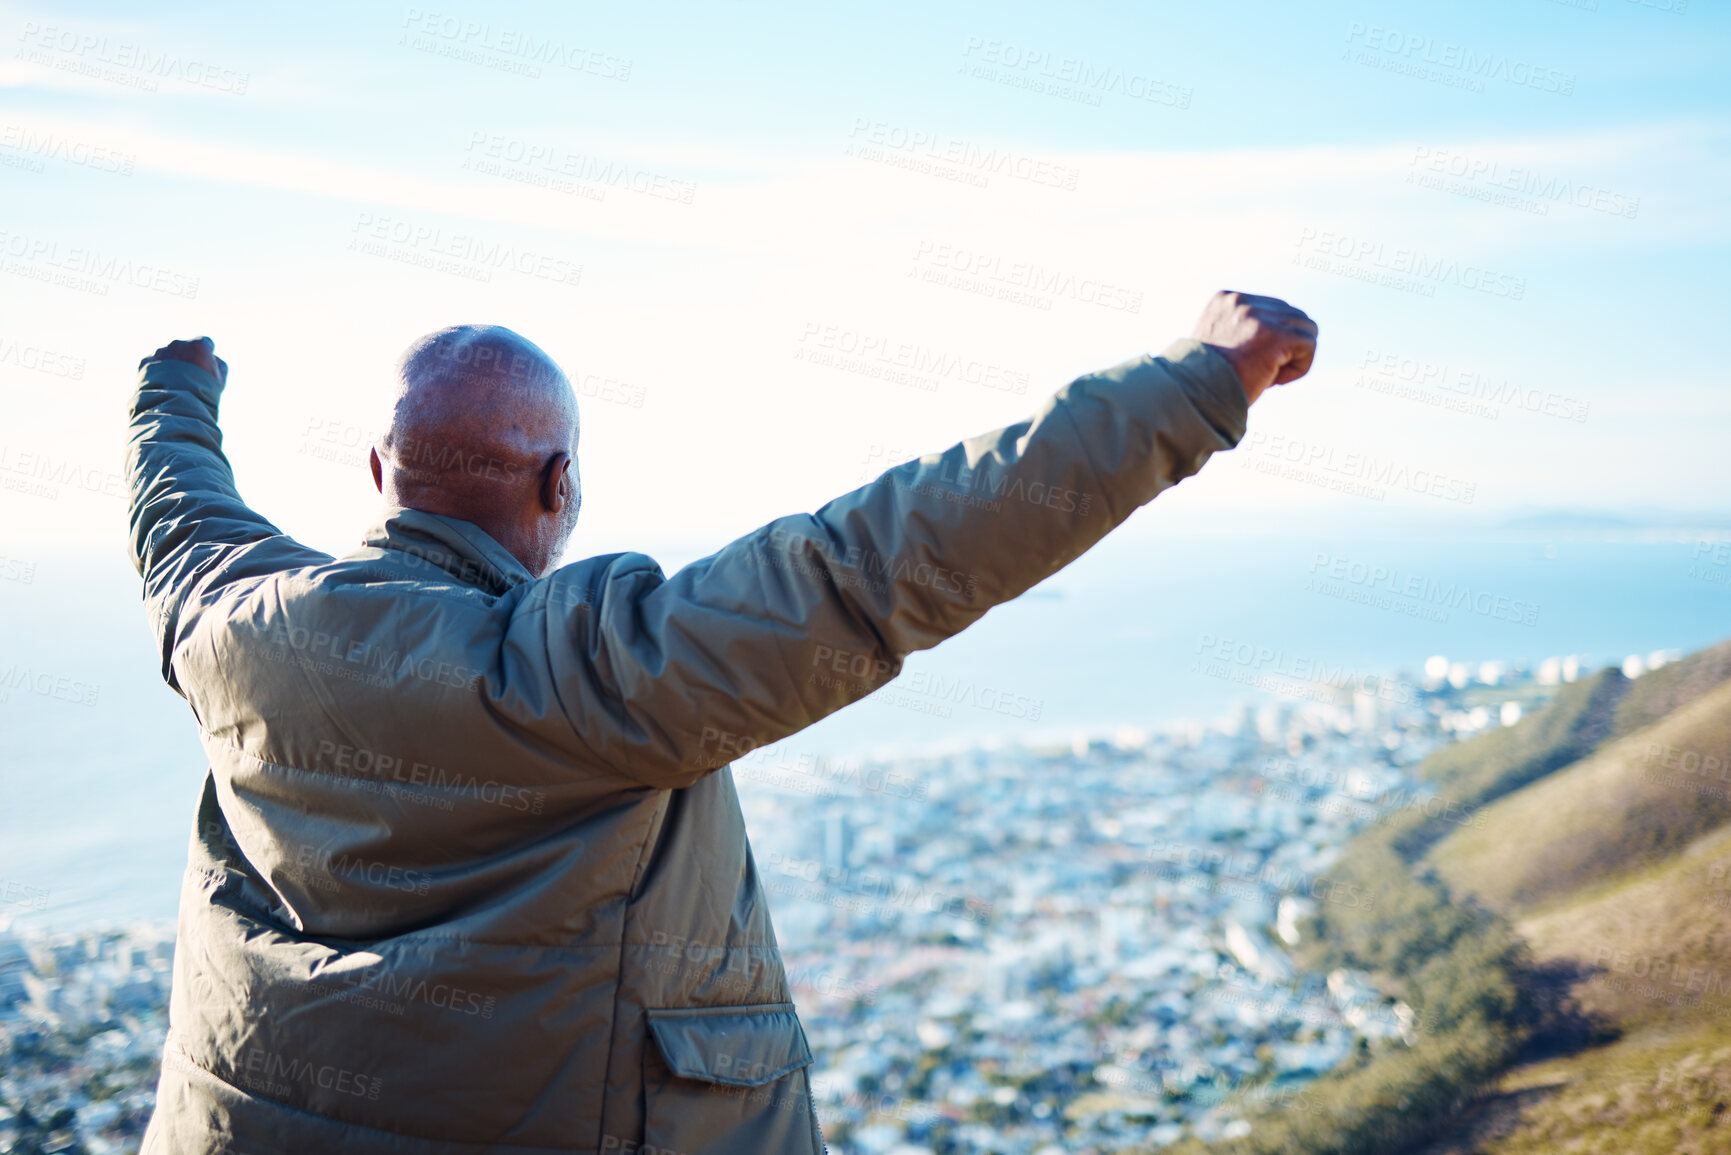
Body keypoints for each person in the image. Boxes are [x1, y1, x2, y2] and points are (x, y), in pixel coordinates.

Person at [127, 292, 1316, 1154]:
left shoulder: (225, 625)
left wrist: (175, 384)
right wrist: (1199, 381)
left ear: (379, 473)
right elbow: (876, 562)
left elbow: (178, 502)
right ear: (559, 487)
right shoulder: (595, 676)